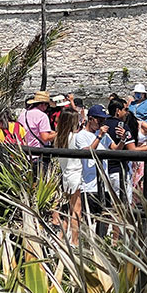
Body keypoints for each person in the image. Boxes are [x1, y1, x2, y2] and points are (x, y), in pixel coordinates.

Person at [74, 103, 118, 236]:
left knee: (105, 219)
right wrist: (99, 137)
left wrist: (123, 139)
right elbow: (88, 152)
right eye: (99, 120)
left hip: (103, 184)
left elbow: (115, 149)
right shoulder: (81, 136)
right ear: (91, 119)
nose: (102, 123)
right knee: (88, 220)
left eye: (104, 120)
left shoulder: (103, 135)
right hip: (89, 185)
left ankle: (102, 243)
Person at [54, 106, 83, 244]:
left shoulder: (59, 138)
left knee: (67, 209)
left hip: (66, 174)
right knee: (77, 211)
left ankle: (61, 238)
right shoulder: (76, 138)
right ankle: (75, 242)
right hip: (75, 173)